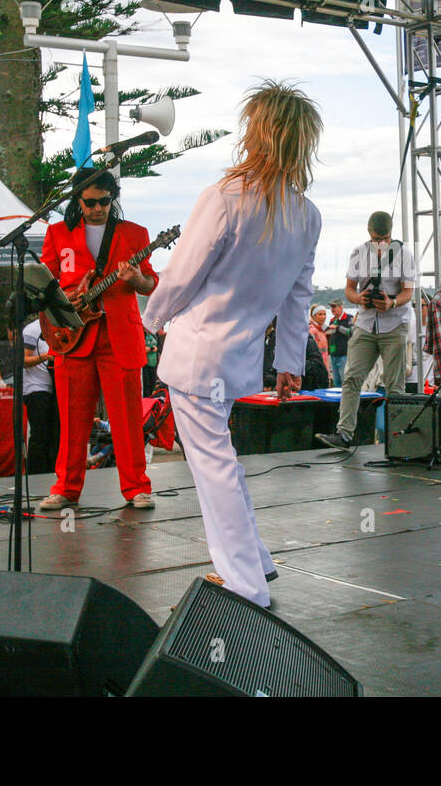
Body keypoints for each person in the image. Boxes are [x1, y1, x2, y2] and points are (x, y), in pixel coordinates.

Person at [142, 79, 322, 608]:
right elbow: (298, 295)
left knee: (213, 467)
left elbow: (180, 277)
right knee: (221, 462)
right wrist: (289, 361)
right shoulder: (305, 213)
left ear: (257, 133)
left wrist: (152, 318)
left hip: (198, 355)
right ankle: (254, 561)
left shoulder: (224, 197)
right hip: (240, 360)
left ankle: (244, 582)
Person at [38, 169, 157, 510]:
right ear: (78, 200)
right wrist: (66, 297)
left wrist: (137, 280)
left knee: (127, 419)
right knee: (73, 421)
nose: (97, 209)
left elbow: (151, 283)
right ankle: (66, 488)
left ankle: (136, 487)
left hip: (119, 335)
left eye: (105, 201)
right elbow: (44, 284)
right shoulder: (58, 233)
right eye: (90, 202)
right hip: (73, 337)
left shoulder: (135, 233)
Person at [316, 211, 416, 450]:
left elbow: (408, 291)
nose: (380, 243)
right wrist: (359, 297)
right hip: (365, 323)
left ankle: (397, 439)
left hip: (394, 323)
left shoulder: (405, 254)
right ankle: (345, 433)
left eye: (384, 238)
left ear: (391, 233)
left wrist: (391, 302)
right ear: (369, 233)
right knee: (351, 378)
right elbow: (349, 289)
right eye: (376, 239)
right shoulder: (358, 253)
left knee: (394, 385)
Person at [16, 317, 59, 476]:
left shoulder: (57, 326)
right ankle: (36, 473)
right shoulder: (32, 330)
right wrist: (46, 357)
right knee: (40, 434)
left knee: (54, 433)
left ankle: (51, 470)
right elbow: (22, 359)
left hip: (52, 387)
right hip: (36, 387)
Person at [325, 299, 353, 386]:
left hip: (344, 355)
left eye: (334, 306)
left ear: (341, 307)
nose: (332, 309)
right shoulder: (332, 320)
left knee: (344, 381)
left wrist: (337, 327)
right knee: (337, 382)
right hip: (333, 355)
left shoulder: (349, 318)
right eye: (331, 307)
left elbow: (351, 332)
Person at [309, 305, 331, 377]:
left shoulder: (321, 330)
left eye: (324, 314)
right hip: (317, 369)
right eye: (320, 314)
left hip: (324, 367)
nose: (323, 316)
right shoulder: (312, 330)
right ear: (314, 316)